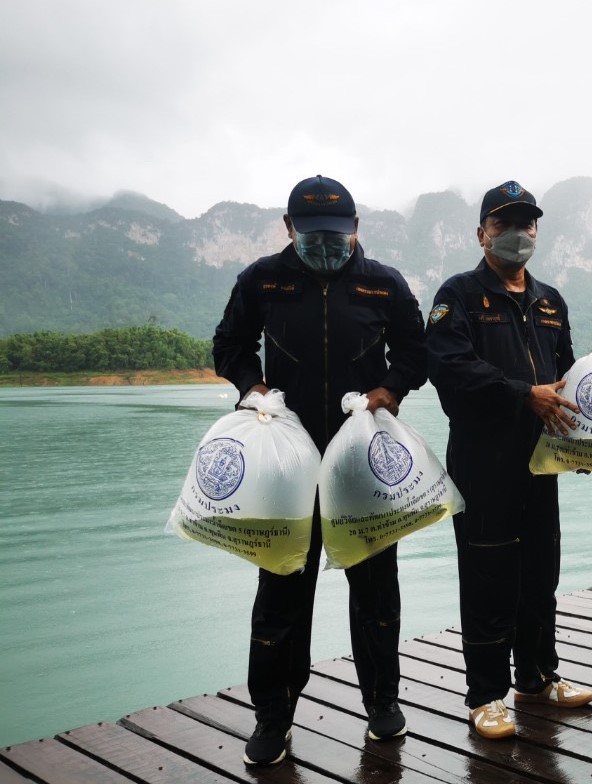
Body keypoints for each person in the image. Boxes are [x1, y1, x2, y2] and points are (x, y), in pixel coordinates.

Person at [213, 175, 427, 765]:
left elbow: (416, 352)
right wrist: (252, 389)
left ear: (357, 230)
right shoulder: (261, 279)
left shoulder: (384, 284)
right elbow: (228, 345)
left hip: (361, 460)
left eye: (337, 236)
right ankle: (273, 718)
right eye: (312, 237)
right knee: (281, 588)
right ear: (289, 230)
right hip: (287, 462)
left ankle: (383, 704)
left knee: (376, 586)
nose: (326, 246)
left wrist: (390, 389)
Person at [425, 180, 592, 740]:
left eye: (527, 224)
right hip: (483, 459)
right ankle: (486, 695)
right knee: (488, 575)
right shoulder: (459, 296)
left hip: (540, 461)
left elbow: (567, 376)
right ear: (481, 234)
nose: (517, 234)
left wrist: (587, 438)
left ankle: (538, 676)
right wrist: (524, 393)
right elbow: (450, 370)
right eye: (504, 225)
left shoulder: (551, 300)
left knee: (540, 571)